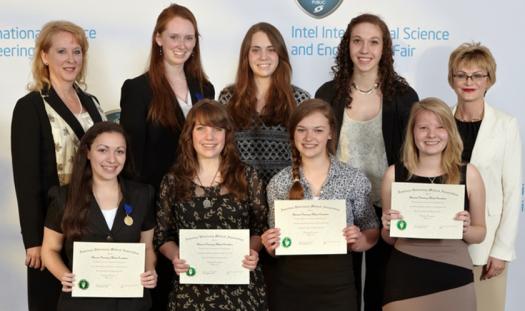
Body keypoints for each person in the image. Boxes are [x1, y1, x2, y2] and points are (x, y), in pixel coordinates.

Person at [315, 13, 419, 310]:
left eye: (374, 42)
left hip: (385, 210)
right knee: (339, 293)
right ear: (347, 45)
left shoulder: (403, 97)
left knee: (381, 291)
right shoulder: (327, 93)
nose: (365, 50)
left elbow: (413, 156)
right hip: (338, 209)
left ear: (384, 48)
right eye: (357, 41)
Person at [119, 4, 214, 309]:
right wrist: (141, 214)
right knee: (159, 291)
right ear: (158, 38)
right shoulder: (138, 89)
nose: (181, 45)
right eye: (174, 36)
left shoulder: (204, 89)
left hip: (198, 206)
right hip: (157, 208)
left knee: (194, 286)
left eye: (189, 38)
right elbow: (131, 160)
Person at [11, 20, 106, 311]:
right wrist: (33, 242)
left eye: (77, 52)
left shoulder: (92, 102)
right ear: (44, 56)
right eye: (62, 51)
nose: (70, 59)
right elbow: (27, 181)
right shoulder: (31, 107)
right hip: (53, 230)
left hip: (93, 226)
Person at [261, 99, 379, 311]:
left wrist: (359, 241)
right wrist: (270, 245)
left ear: (331, 133)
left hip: (338, 288)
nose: (309, 138)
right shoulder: (279, 182)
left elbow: (371, 229)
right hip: (289, 287)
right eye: (301, 130)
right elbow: (275, 245)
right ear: (293, 134)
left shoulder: (353, 179)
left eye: (318, 130)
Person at [155, 99, 268, 310]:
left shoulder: (247, 176)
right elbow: (163, 237)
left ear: (227, 134)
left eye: (217, 129)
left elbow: (260, 228)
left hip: (241, 291)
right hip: (190, 291)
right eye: (201, 129)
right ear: (190, 134)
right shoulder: (172, 180)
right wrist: (175, 256)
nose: (210, 137)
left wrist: (253, 250)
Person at [381, 98, 486, 310]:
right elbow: (389, 239)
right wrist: (388, 226)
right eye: (423, 128)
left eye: (440, 127)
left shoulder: (469, 173)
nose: (431, 135)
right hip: (406, 272)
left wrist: (465, 229)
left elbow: (480, 233)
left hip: (453, 272)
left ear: (450, 131)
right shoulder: (394, 174)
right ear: (412, 132)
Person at [41, 121, 157, 310]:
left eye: (120, 151)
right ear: (87, 152)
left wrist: (150, 271)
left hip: (132, 304)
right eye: (103, 150)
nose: (112, 159)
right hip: (81, 303)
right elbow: (49, 249)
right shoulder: (63, 197)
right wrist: (63, 275)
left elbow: (147, 248)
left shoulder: (143, 195)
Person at [448, 43, 522, 311]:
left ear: (489, 80)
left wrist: (501, 250)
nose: (469, 81)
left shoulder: (506, 125)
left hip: (487, 245)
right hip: (440, 240)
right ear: (451, 79)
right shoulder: (437, 122)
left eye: (477, 75)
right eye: (461, 75)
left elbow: (513, 192)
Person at [218, 22, 310, 186]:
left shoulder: (300, 100)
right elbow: (220, 153)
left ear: (280, 54)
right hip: (240, 195)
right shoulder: (228, 98)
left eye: (271, 49)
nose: (263, 57)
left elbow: (310, 156)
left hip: (286, 197)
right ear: (246, 55)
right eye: (256, 50)